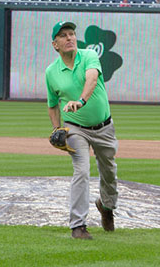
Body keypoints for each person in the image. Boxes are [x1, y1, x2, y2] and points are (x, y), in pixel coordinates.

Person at [46, 20, 119, 240]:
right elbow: (52, 104)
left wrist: (81, 100)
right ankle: (78, 226)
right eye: (63, 35)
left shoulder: (88, 56)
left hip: (104, 127)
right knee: (81, 170)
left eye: (72, 34)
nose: (69, 38)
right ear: (55, 44)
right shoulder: (51, 72)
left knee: (109, 172)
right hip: (75, 127)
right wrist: (57, 129)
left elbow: (92, 79)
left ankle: (106, 206)